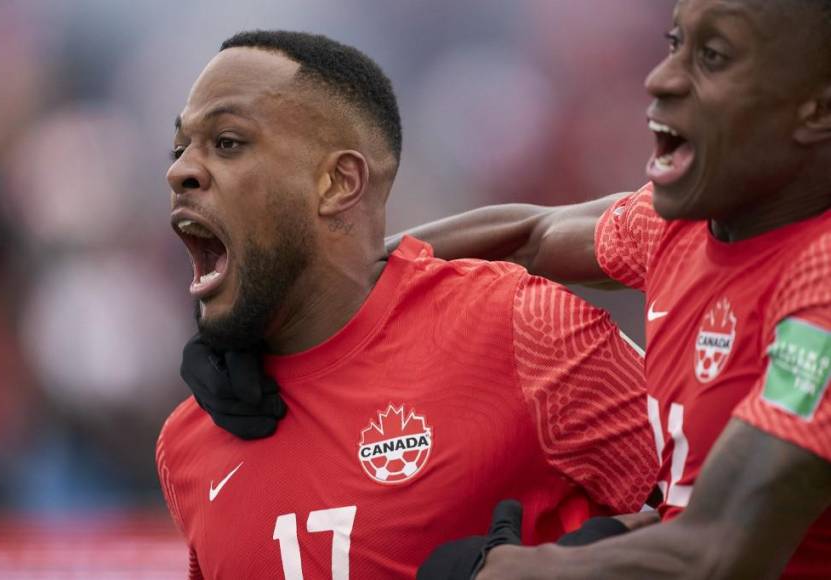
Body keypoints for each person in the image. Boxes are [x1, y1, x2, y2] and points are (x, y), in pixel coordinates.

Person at [155, 31, 659, 579]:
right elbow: (539, 234)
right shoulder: (187, 443)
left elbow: (740, 524)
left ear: (337, 182)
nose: (179, 171)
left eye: (227, 141)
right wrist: (339, 277)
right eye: (180, 147)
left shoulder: (519, 330)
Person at [405, 0, 831, 578]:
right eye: (674, 44)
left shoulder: (820, 280)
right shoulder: (678, 224)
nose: (661, 77)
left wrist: (514, 572)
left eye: (713, 57)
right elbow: (533, 234)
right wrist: (327, 288)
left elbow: (718, 553)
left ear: (817, 109)